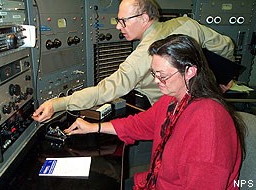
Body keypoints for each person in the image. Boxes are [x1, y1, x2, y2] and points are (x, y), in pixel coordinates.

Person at [64, 34, 246, 189]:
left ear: (190, 71)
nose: (157, 81)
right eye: (154, 74)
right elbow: (140, 124)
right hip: (155, 181)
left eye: (163, 76)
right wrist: (93, 127)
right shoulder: (173, 99)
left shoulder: (209, 124)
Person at [32, 0, 235, 122]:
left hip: (176, 119)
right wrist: (221, 80)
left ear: (144, 18)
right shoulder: (188, 24)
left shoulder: (145, 56)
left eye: (123, 21)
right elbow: (225, 45)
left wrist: (59, 103)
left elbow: (105, 90)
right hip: (209, 108)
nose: (118, 27)